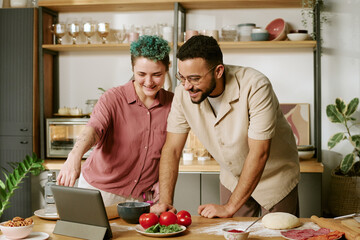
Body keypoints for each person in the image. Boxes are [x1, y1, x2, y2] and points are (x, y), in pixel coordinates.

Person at [151, 35, 300, 218]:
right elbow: (172, 149)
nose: (187, 86)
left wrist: (229, 207)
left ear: (219, 71)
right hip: (232, 177)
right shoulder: (183, 93)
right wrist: (165, 201)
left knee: (275, 235)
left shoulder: (256, 86)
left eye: (194, 78)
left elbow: (259, 153)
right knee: (234, 235)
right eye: (182, 77)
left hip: (274, 177)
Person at [57, 35, 174, 218]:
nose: (149, 82)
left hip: (142, 198)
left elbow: (170, 151)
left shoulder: (172, 104)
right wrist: (74, 155)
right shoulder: (113, 98)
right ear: (133, 69)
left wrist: (161, 182)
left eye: (156, 74)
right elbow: (94, 129)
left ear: (167, 69)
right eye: (141, 74)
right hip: (101, 193)